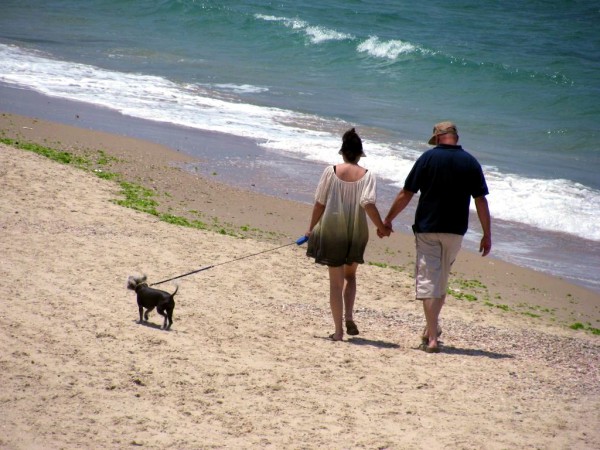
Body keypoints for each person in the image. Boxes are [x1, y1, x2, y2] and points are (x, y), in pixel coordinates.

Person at [382, 121, 491, 353]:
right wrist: (486, 234)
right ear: (455, 137)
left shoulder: (427, 159)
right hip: (455, 230)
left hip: (427, 228)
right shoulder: (470, 162)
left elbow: (406, 193)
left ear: (438, 138)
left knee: (430, 282)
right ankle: (432, 328)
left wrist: (388, 219)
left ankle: (432, 338)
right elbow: (480, 200)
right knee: (440, 281)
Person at [306, 128, 390, 341]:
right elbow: (368, 203)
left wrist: (310, 228)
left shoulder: (331, 171)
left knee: (335, 283)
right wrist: (381, 226)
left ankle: (338, 331)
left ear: (342, 153)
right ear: (360, 154)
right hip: (356, 233)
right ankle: (349, 316)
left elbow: (320, 203)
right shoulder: (368, 175)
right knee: (350, 276)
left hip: (332, 232)